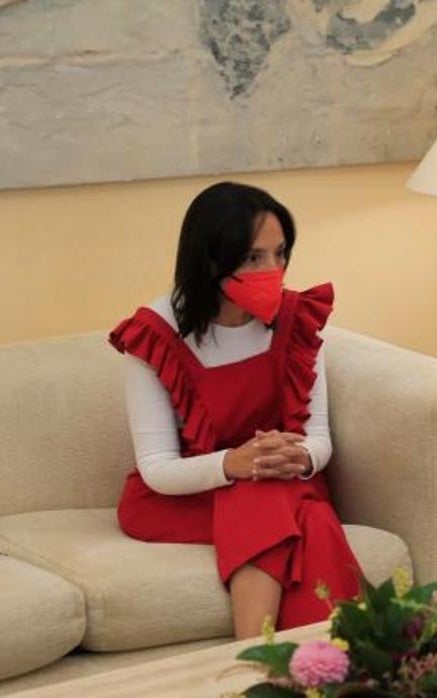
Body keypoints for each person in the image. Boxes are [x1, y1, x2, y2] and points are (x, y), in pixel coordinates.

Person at [109, 181, 361, 638]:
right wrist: (235, 463)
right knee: (271, 498)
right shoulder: (155, 332)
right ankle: (330, 665)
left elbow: (319, 436)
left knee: (281, 499)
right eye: (253, 258)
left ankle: (263, 670)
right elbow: (157, 468)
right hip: (184, 495)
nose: (274, 269)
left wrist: (300, 458)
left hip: (282, 481)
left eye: (280, 253)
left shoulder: (297, 318)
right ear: (210, 260)